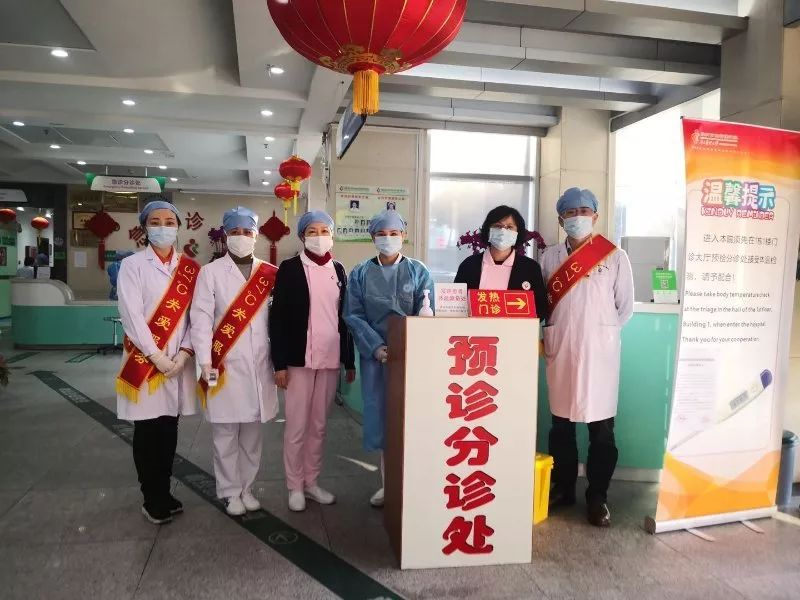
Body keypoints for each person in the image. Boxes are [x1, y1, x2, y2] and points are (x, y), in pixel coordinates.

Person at [540, 188, 634, 528]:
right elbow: (541, 304)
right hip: (562, 348)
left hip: (599, 355)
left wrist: (600, 333)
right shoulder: (548, 257)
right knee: (561, 428)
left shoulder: (614, 256)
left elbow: (625, 307)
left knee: (602, 431)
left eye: (583, 211)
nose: (577, 217)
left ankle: (598, 497)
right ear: (560, 219)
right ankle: (564, 489)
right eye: (570, 212)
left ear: (595, 216)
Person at [115, 199, 200, 525]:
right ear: (144, 228)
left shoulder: (190, 268)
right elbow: (131, 316)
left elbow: (197, 316)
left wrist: (183, 354)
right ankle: (151, 497)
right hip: (145, 360)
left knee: (168, 428)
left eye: (169, 222)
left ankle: (164, 490)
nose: (163, 227)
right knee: (147, 431)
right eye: (155, 222)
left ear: (178, 227)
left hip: (178, 362)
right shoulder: (132, 265)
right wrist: (157, 357)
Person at [191, 207, 279, 516]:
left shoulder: (270, 273)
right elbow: (201, 320)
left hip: (259, 365)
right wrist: (205, 362)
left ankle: (247, 488)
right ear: (226, 235)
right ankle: (229, 492)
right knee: (225, 433)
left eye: (247, 232)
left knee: (252, 436)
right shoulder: (210, 273)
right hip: (223, 364)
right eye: (235, 232)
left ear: (256, 236)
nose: (241, 237)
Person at [344, 210, 434, 507]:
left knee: (412, 419)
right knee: (385, 419)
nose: (388, 239)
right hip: (377, 360)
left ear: (403, 236)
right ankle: (389, 486)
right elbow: (353, 315)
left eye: (394, 234)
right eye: (382, 234)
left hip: (412, 359)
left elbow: (427, 312)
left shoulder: (418, 272)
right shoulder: (360, 274)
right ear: (372, 237)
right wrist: (377, 347)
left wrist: (410, 347)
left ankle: (414, 489)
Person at [269, 210, 356, 512]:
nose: (319, 237)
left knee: (318, 426)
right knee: (296, 426)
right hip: (298, 359)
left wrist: (349, 360)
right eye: (312, 231)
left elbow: (345, 318)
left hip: (329, 358)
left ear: (332, 235)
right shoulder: (290, 268)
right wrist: (279, 364)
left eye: (324, 231)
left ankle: (311, 482)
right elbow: (277, 318)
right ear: (302, 236)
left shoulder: (339, 269)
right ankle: (294, 486)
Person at [454, 205, 548, 319]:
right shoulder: (469, 265)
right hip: (474, 329)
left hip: (515, 330)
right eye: (497, 226)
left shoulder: (530, 268)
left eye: (509, 227)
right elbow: (456, 306)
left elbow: (541, 309)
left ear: (518, 233)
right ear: (488, 230)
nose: (503, 231)